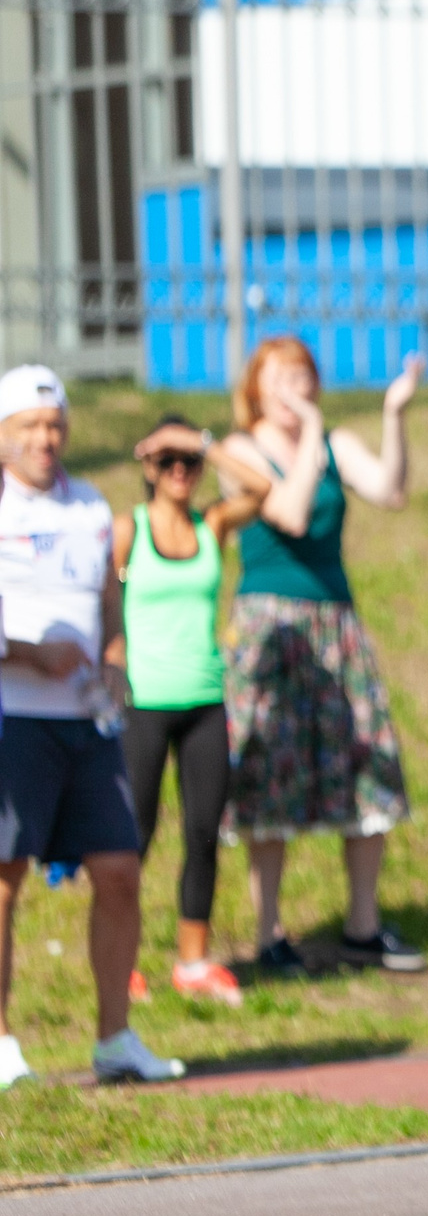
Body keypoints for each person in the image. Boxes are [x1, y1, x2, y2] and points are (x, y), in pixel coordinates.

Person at [0, 366, 182, 1089]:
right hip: (15, 720)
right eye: (30, 427)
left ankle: (115, 1038)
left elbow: (110, 600)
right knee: (4, 880)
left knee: (119, 870)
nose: (47, 439)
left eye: (55, 425)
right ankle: (3, 1043)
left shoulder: (92, 505)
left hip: (89, 724)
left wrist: (115, 661)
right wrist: (25, 653)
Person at [221, 338, 426, 976]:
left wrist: (394, 415)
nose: (294, 388)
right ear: (256, 388)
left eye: (303, 376)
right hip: (271, 626)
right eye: (280, 378)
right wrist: (309, 437)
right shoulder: (238, 451)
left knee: (367, 758)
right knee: (269, 770)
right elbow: (288, 511)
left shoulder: (336, 443)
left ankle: (362, 925)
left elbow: (390, 491)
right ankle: (269, 932)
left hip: (336, 622)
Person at [116, 415, 273, 1006]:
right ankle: (122, 959)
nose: (179, 471)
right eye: (167, 461)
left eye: (189, 462)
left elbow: (263, 490)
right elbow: (111, 589)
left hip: (206, 701)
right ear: (148, 467)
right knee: (135, 833)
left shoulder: (213, 526)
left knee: (204, 832)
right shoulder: (128, 534)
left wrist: (206, 443)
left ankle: (192, 960)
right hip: (143, 702)